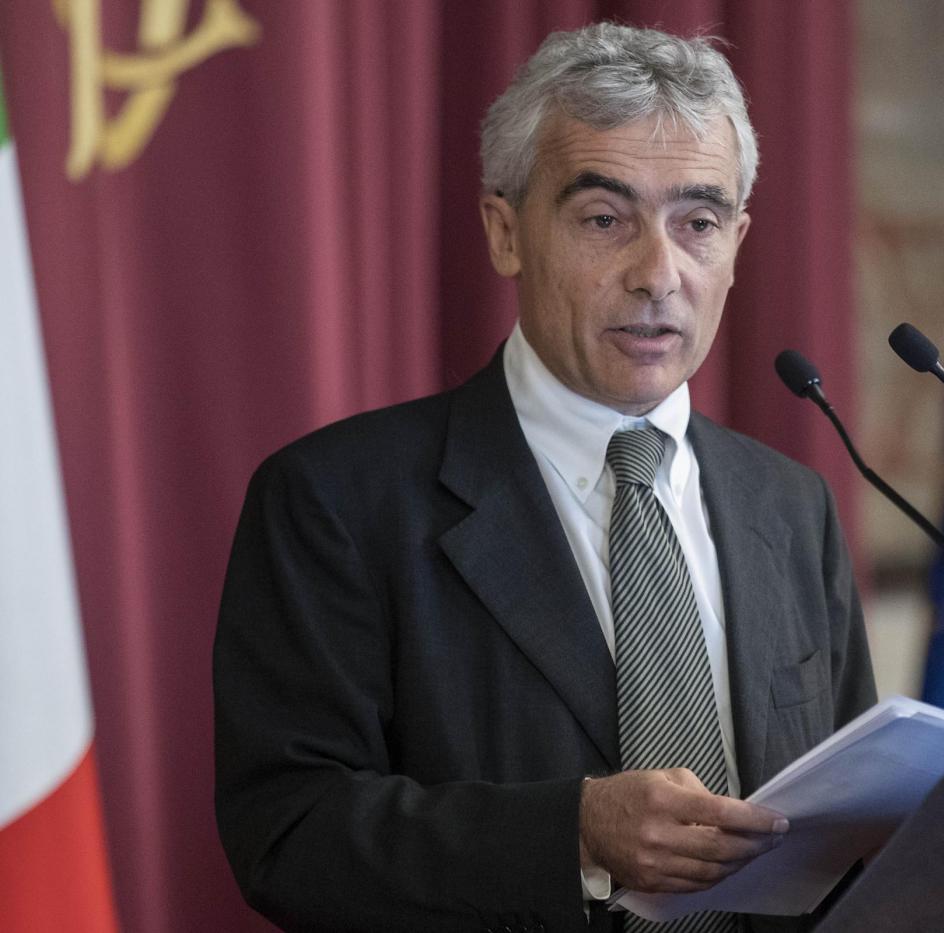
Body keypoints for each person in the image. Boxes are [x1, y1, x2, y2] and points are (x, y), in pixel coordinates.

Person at [214, 22, 875, 933]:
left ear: (737, 241)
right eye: (605, 219)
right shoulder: (336, 501)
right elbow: (287, 833)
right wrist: (573, 833)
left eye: (698, 223)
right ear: (505, 232)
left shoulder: (791, 505)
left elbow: (852, 832)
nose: (658, 274)